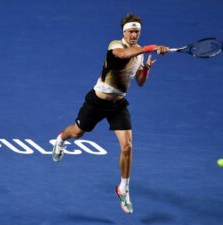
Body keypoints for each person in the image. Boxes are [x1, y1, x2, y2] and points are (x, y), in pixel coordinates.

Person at [52, 13, 169, 214]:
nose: (134, 34)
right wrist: (152, 47)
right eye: (131, 31)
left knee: (127, 147)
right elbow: (123, 55)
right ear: (124, 32)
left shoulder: (139, 53)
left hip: (118, 105)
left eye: (137, 31)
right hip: (97, 101)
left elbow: (140, 82)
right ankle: (61, 139)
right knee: (77, 133)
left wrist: (146, 69)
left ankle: (124, 188)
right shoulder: (116, 45)